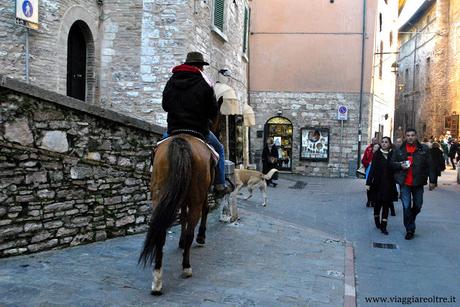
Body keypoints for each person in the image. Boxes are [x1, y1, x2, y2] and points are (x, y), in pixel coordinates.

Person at [162, 51, 231, 198]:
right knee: (219, 148)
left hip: (174, 128)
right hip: (198, 129)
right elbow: (213, 110)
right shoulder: (203, 83)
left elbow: (165, 105)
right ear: (200, 66)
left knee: (157, 149)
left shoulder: (172, 81)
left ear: (187, 64)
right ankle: (220, 184)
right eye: (202, 67)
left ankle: (152, 171)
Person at [391, 128, 437, 240]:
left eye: (412, 135)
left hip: (418, 182)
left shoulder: (424, 149)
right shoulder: (399, 149)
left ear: (416, 136)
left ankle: (410, 217)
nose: (410, 137)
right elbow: (392, 164)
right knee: (406, 207)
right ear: (405, 137)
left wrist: (433, 181)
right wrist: (399, 165)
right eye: (408, 135)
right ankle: (410, 229)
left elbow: (431, 165)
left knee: (418, 205)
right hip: (405, 183)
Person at [366, 137, 398, 235]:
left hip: (389, 184)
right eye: (383, 142)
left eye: (386, 142)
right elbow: (372, 169)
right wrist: (368, 182)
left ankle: (384, 226)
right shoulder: (377, 155)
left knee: (386, 205)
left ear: (389, 144)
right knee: (377, 204)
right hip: (378, 184)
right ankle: (377, 220)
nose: (384, 144)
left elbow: (396, 166)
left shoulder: (393, 154)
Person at [362, 138, 379, 207]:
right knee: (368, 186)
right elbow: (363, 160)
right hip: (369, 170)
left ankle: (373, 201)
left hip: (377, 172)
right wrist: (368, 163)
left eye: (377, 147)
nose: (376, 148)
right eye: (375, 147)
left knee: (375, 187)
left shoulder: (381, 154)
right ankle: (369, 200)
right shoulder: (368, 149)